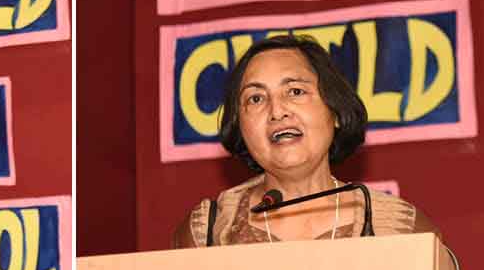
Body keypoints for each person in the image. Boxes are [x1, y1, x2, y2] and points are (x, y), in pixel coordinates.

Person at [173, 34, 440, 248]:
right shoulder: (210, 231)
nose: (277, 111)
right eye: (255, 98)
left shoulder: (399, 226)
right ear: (240, 126)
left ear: (334, 111)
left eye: (295, 91)